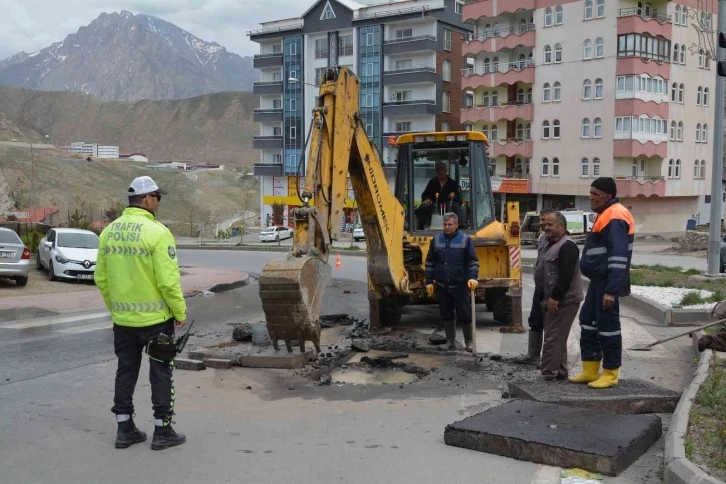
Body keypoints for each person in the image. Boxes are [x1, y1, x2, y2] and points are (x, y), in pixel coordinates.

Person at [95, 176, 188, 450]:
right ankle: (163, 431)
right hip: (156, 321)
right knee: (161, 372)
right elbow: (168, 282)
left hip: (123, 321)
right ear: (148, 199)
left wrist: (116, 308)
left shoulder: (109, 232)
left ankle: (125, 430)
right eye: (158, 197)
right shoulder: (158, 233)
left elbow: (101, 278)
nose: (159, 202)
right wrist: (179, 311)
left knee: (126, 371)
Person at [570, 177, 635, 389]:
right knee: (588, 321)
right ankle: (590, 369)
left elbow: (618, 256)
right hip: (599, 281)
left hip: (607, 282)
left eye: (595, 194)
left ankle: (610, 373)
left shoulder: (615, 214)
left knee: (608, 327)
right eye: (590, 192)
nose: (590, 197)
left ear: (607, 196)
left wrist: (611, 290)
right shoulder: (605, 214)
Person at [536, 212, 584, 380]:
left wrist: (555, 297)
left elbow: (566, 275)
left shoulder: (567, 246)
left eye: (550, 224)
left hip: (564, 300)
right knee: (557, 336)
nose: (546, 227)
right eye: (545, 224)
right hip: (551, 299)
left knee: (552, 338)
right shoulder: (548, 243)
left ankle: (548, 374)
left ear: (561, 227)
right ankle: (561, 372)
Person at [425, 213, 480, 351]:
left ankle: (469, 342)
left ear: (456, 224)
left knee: (465, 314)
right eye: (445, 224)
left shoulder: (465, 240)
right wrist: (429, 281)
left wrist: (473, 277)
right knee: (446, 314)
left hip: (460, 285)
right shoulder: (436, 240)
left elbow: (473, 261)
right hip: (442, 285)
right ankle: (450, 342)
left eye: (450, 224)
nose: (447, 227)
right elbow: (430, 262)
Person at [513, 208, 555, 365]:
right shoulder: (543, 238)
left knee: (551, 326)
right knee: (535, 320)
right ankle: (533, 355)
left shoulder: (560, 240)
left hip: (552, 290)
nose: (542, 224)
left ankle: (551, 360)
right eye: (542, 221)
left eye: (546, 221)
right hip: (540, 288)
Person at [417, 162, 464, 229]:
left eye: (441, 169)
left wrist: (452, 198)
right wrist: (427, 199)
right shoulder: (432, 182)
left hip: (448, 204)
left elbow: (458, 199)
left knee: (456, 205)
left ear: (445, 170)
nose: (440, 171)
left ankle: (460, 227)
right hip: (434, 204)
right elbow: (425, 194)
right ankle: (420, 227)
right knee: (423, 206)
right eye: (438, 170)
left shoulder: (452, 183)